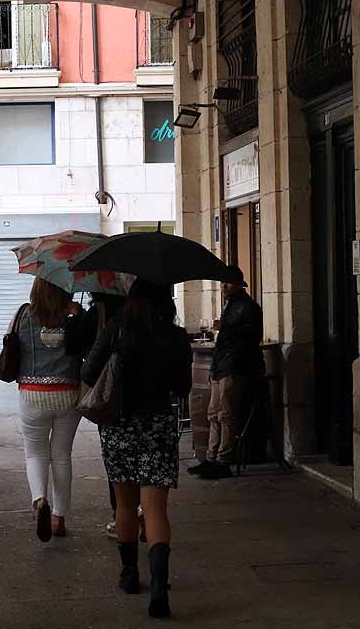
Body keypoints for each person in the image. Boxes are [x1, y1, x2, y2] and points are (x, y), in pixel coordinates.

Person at [82, 280, 192, 619]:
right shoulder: (176, 336)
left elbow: (88, 372)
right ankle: (159, 585)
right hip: (157, 425)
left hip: (119, 426)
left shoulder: (116, 329)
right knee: (156, 510)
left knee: (126, 505)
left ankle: (130, 574)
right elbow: (183, 387)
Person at [65, 292, 140, 540]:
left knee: (117, 465)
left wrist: (75, 317)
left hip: (112, 401)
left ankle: (121, 516)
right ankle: (145, 511)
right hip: (153, 410)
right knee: (147, 465)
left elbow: (83, 362)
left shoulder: (103, 318)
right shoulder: (157, 324)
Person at [14, 277, 84, 542]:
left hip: (32, 394)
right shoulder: (73, 315)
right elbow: (83, 348)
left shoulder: (24, 314)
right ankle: (59, 518)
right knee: (62, 455)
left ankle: (39, 500)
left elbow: (13, 344)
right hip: (68, 393)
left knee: (35, 454)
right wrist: (77, 316)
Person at [190, 265, 264, 480]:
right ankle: (210, 458)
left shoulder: (248, 307)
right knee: (213, 414)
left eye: (228, 282)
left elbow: (251, 338)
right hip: (222, 365)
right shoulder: (231, 305)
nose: (224, 286)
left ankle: (223, 460)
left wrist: (226, 327)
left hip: (235, 366)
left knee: (226, 415)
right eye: (223, 282)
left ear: (239, 285)